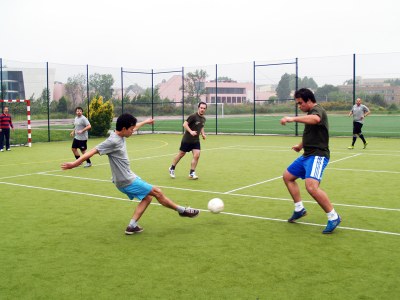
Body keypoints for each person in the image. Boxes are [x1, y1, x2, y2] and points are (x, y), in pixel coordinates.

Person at [61, 113, 200, 235]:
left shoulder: (120, 134)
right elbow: (93, 151)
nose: (133, 131)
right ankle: (182, 211)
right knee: (157, 192)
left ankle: (132, 226)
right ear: (123, 129)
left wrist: (145, 122)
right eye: (131, 129)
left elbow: (135, 126)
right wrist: (75, 164)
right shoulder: (112, 140)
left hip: (126, 177)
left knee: (148, 198)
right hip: (126, 180)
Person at [280, 88, 341, 234]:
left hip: (318, 155)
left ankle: (333, 216)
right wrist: (300, 146)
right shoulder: (309, 114)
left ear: (309, 100)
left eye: (300, 103)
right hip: (307, 155)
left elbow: (316, 119)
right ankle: (299, 208)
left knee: (311, 187)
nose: (299, 106)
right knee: (287, 176)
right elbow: (310, 132)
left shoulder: (317, 110)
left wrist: (292, 118)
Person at [169, 102, 207, 180]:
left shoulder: (203, 119)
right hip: (187, 140)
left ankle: (192, 173)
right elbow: (185, 124)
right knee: (181, 154)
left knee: (197, 155)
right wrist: (191, 131)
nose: (202, 109)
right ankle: (172, 168)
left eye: (204, 108)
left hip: (196, 141)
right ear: (198, 108)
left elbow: (201, 126)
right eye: (201, 108)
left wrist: (203, 134)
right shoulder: (193, 116)